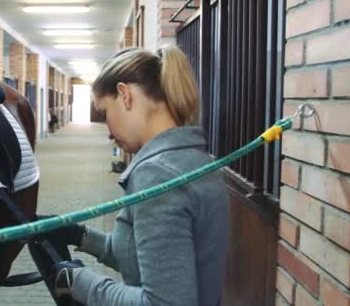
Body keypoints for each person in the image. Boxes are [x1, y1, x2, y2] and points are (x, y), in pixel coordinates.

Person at [44, 44, 230, 306]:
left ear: (125, 95)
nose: (108, 129)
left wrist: (76, 281)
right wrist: (80, 236)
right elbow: (148, 258)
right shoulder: (189, 161)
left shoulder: (158, 176)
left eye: (106, 111)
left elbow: (162, 303)